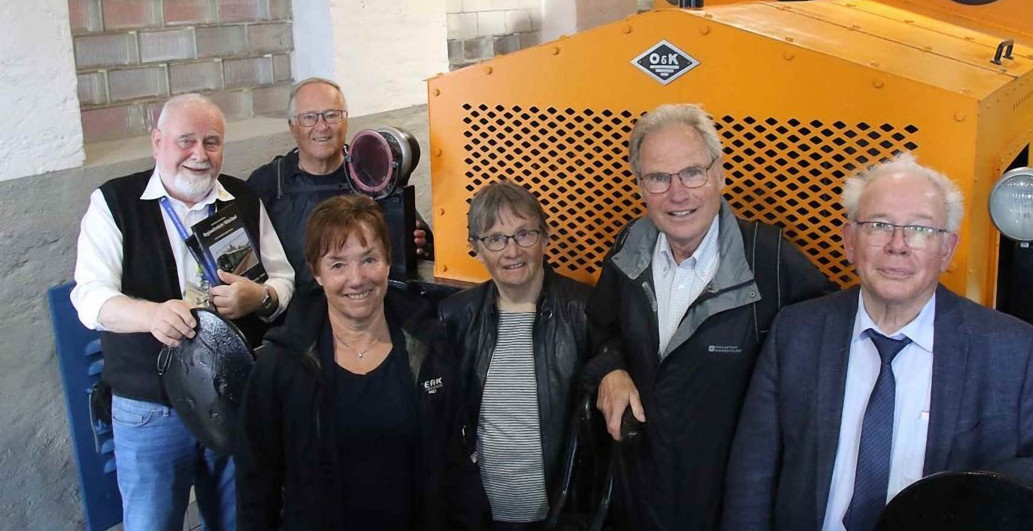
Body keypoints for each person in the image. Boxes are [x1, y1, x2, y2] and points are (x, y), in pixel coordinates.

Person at [722, 153, 1033, 531]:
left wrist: (981, 492)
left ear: (947, 250)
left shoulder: (1007, 350)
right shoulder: (797, 333)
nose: (897, 245)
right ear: (849, 241)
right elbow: (752, 473)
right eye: (878, 225)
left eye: (920, 229)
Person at [585, 103, 836, 531]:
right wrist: (612, 369)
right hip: (640, 496)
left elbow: (830, 351)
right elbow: (601, 329)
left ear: (719, 174)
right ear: (640, 186)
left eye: (692, 173)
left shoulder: (771, 260)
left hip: (729, 507)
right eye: (658, 178)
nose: (677, 194)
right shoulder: (629, 247)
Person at [71, 93, 295, 531]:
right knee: (152, 523)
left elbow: (283, 279)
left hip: (234, 398)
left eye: (212, 142)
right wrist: (151, 316)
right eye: (186, 141)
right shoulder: (114, 202)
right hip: (150, 409)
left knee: (239, 520)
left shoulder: (243, 198)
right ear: (157, 142)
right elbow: (90, 298)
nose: (200, 154)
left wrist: (259, 298)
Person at [236, 195, 467, 529]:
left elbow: (456, 466)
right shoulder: (282, 365)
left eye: (369, 259)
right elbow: (256, 481)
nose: (357, 279)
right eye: (338, 265)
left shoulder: (430, 348)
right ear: (316, 273)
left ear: (388, 261)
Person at [439, 181, 590, 530]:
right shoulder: (455, 317)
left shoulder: (583, 311)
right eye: (495, 239)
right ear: (476, 248)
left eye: (524, 234)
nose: (512, 251)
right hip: (480, 516)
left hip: (559, 516)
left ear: (545, 237)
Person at [247, 77, 433, 300]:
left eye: (331, 115)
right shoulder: (267, 183)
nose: (322, 126)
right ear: (292, 126)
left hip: (370, 302)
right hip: (297, 311)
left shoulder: (373, 170)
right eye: (309, 117)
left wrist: (417, 244)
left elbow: (421, 244)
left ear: (346, 121)